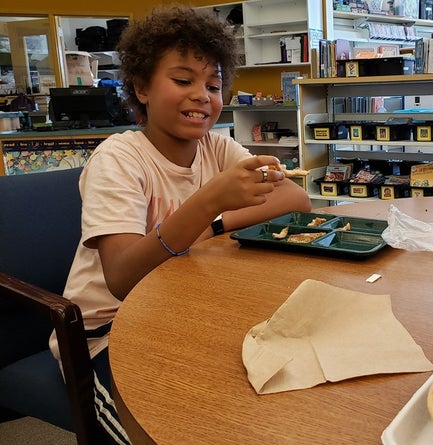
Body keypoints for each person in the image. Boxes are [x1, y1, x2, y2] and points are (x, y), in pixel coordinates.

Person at [49, 5, 311, 443]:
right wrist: (206, 202)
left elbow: (295, 196)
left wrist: (214, 222)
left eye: (213, 84)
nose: (202, 96)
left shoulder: (218, 146)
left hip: (182, 313)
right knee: (160, 431)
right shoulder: (118, 159)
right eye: (183, 80)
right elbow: (121, 278)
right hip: (105, 333)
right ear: (141, 87)